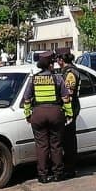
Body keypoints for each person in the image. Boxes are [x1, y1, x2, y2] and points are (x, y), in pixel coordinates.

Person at [23, 53, 72, 183]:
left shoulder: (33, 79)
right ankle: (58, 174)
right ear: (50, 65)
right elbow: (66, 98)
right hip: (55, 113)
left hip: (38, 114)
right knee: (56, 145)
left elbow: (27, 99)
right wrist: (69, 114)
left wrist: (28, 114)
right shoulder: (58, 78)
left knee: (41, 145)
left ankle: (43, 175)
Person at [57, 52, 81, 178]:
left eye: (57, 58)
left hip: (70, 107)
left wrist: (67, 112)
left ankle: (70, 169)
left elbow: (69, 93)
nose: (56, 61)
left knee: (69, 140)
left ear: (62, 59)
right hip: (68, 107)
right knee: (66, 138)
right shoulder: (65, 71)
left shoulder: (70, 73)